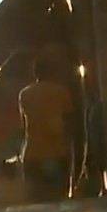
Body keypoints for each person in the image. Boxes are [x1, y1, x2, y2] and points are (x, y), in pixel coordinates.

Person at [18, 56, 74, 203]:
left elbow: (23, 126)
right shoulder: (61, 92)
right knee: (59, 199)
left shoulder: (24, 94)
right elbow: (69, 124)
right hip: (56, 152)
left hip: (32, 153)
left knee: (35, 201)